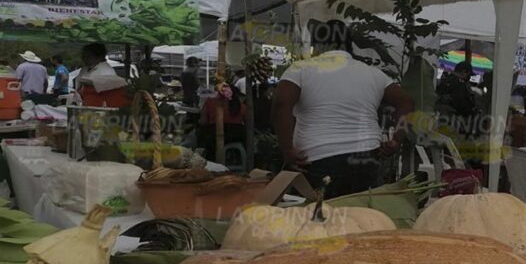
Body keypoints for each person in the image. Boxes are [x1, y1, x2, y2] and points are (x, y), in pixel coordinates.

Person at [272, 19, 414, 198]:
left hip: (318, 159)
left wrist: (287, 150)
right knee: (364, 217)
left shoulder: (301, 69)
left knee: (320, 220)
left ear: (317, 45)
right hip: (368, 158)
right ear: (348, 44)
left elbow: (281, 104)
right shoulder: (373, 73)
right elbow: (406, 102)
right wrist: (396, 140)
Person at [198, 83, 247, 154]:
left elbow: (203, 122)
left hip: (213, 137)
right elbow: (247, 123)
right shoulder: (241, 106)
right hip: (237, 136)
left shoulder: (210, 102)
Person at [435, 61, 481, 134]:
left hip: (441, 116)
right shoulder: (459, 84)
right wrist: (472, 111)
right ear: (464, 72)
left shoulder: (446, 80)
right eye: (469, 75)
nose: (469, 78)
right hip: (453, 119)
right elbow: (461, 102)